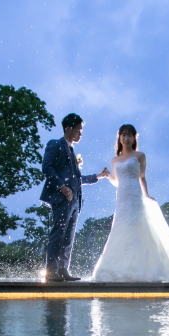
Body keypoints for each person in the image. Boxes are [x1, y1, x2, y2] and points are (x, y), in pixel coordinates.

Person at [90, 124, 169, 282]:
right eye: (123, 135)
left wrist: (146, 195)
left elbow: (141, 178)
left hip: (135, 194)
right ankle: (118, 270)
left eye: (129, 135)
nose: (126, 138)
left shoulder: (140, 156)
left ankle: (145, 270)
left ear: (134, 138)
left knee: (139, 229)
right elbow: (118, 181)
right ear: (119, 137)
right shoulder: (114, 159)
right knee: (121, 229)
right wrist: (107, 176)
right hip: (122, 198)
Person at [40, 113, 110, 281]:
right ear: (68, 129)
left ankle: (63, 269)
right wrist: (62, 187)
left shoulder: (72, 151)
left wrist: (98, 176)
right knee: (58, 234)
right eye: (78, 130)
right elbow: (46, 167)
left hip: (74, 201)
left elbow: (76, 179)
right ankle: (51, 271)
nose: (80, 134)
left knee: (68, 237)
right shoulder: (55, 144)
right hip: (61, 198)